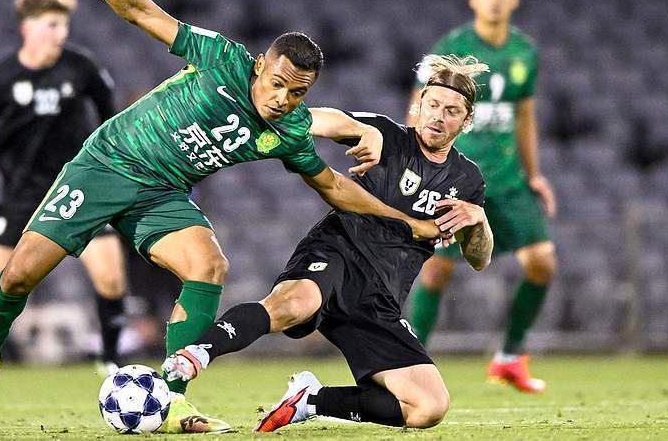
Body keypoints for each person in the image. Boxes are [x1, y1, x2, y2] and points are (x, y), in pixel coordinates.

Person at [0, 0, 444, 433]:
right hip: (106, 165)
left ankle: (172, 397)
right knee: (19, 274)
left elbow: (333, 186)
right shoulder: (221, 57)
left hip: (162, 193)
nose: (283, 99)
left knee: (209, 266)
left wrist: (407, 222)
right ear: (260, 65)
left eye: (298, 93)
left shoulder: (289, 131)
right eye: (278, 83)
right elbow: (139, 11)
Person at [162, 55, 493, 431]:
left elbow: (479, 258)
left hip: (381, 295)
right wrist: (279, 113)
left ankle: (310, 400)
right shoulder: (386, 136)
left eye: (451, 111)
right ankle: (198, 353)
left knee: (428, 407)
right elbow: (324, 120)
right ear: (419, 103)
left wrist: (479, 221)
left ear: (466, 120)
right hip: (338, 251)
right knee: (294, 304)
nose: (438, 116)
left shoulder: (467, 180)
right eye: (432, 105)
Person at [0, 0, 127, 375]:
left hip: (79, 189)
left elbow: (112, 119)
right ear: (27, 28)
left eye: (64, 25)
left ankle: (111, 361)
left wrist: (114, 167)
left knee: (111, 277)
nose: (60, 33)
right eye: (52, 25)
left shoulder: (82, 68)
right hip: (22, 196)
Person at [405, 0, 558, 393]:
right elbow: (419, 108)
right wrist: (419, 166)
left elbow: (524, 116)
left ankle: (510, 357)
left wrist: (535, 175)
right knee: (435, 273)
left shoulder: (524, 52)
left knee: (542, 262)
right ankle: (407, 365)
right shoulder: (452, 49)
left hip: (507, 182)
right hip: (455, 180)